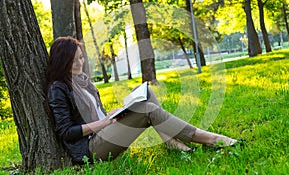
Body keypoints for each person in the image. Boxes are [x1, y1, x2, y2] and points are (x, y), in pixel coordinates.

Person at [46, 36, 238, 165]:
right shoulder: (58, 88)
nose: (79, 63)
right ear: (62, 60)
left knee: (144, 92)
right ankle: (209, 138)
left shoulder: (83, 81)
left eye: (80, 58)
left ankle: (171, 142)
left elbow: (93, 112)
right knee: (147, 109)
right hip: (91, 149)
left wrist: (111, 114)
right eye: (73, 60)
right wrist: (103, 122)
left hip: (104, 130)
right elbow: (66, 132)